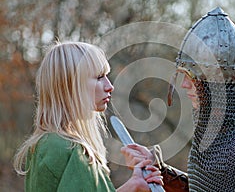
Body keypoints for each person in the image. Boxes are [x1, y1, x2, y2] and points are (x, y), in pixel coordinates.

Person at [121, 7, 235, 191]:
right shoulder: (210, 133)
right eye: (182, 76)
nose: (184, 85)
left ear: (217, 85)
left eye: (193, 79)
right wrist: (162, 173)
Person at [13, 41, 163, 192]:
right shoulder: (65, 148)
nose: (109, 86)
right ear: (70, 85)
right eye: (99, 77)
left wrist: (134, 186)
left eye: (106, 76)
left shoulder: (50, 143)